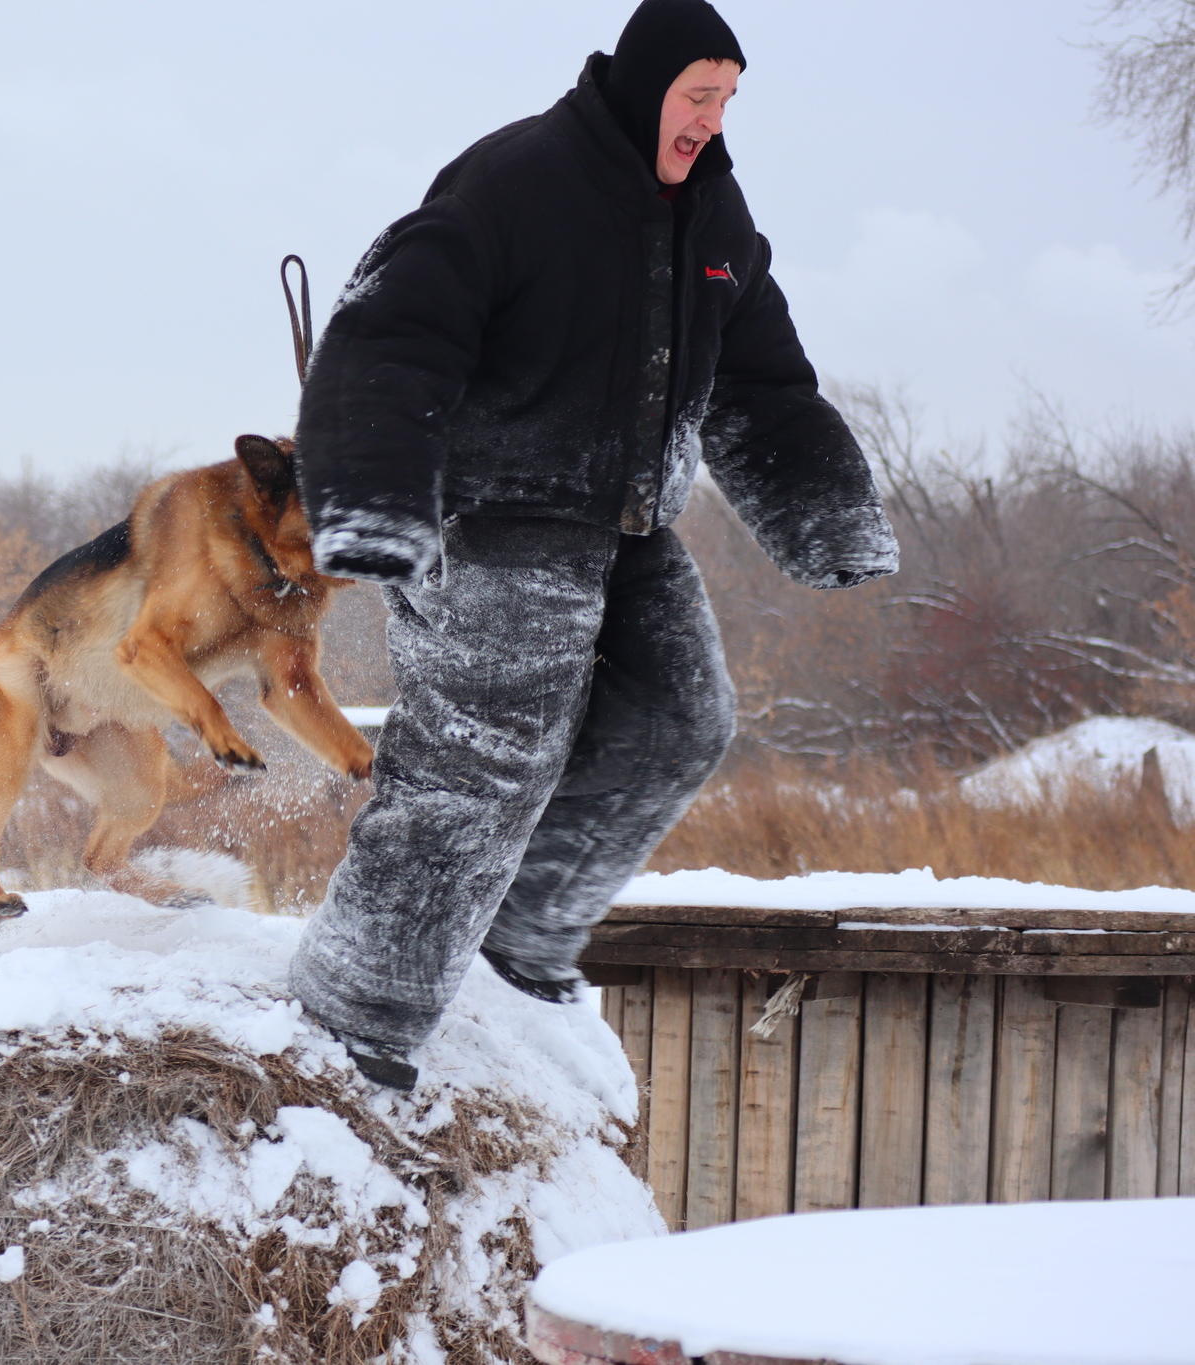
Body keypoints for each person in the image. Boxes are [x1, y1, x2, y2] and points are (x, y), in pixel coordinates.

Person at [287, 0, 899, 1091]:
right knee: (480, 763)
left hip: (624, 523)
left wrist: (825, 514)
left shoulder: (711, 219)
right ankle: (353, 1017)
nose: (710, 120)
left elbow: (760, 378)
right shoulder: (514, 182)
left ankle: (515, 943)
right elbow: (390, 329)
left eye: (725, 100)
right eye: (695, 95)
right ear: (642, 84)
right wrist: (376, 504)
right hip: (494, 519)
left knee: (682, 717)